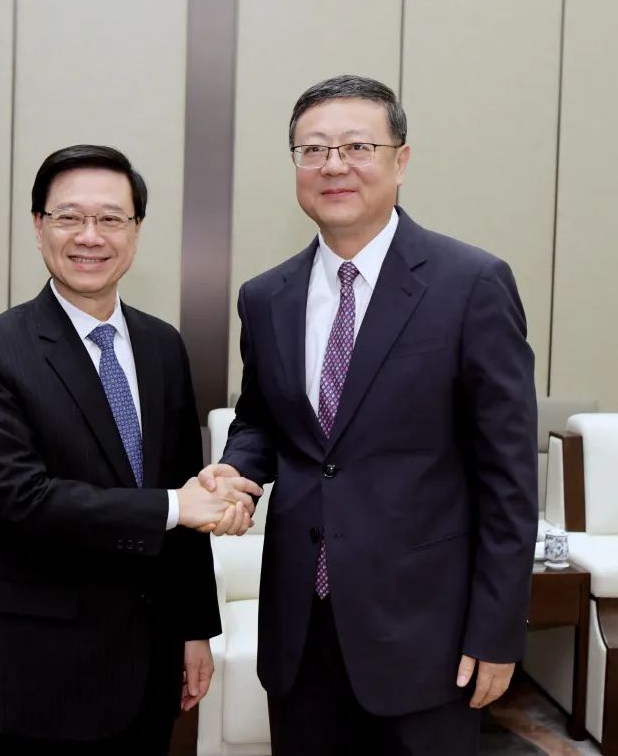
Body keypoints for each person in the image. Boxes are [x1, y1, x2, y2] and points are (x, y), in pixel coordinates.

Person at [200, 75, 538, 755]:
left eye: (357, 146)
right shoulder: (266, 296)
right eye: (313, 149)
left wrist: (497, 630)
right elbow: (262, 417)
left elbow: (508, 477)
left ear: (401, 161)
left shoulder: (471, 284)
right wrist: (237, 469)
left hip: (426, 631)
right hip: (300, 627)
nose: (334, 166)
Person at [0, 144, 260, 755]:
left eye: (111, 218)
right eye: (69, 217)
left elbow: (183, 487)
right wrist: (174, 507)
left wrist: (196, 629)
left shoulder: (162, 345)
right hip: (41, 670)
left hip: (150, 662)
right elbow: (24, 500)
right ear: (38, 226)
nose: (90, 236)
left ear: (136, 231)